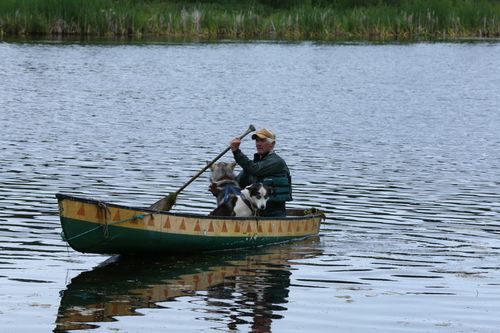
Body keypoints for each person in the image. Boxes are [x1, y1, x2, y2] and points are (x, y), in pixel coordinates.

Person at [230, 128, 292, 217]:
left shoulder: (277, 162)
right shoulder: (255, 165)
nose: (258, 144)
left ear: (272, 144)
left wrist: (236, 151)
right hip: (255, 212)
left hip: (274, 213)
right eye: (257, 141)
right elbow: (236, 185)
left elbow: (254, 169)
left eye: (262, 141)